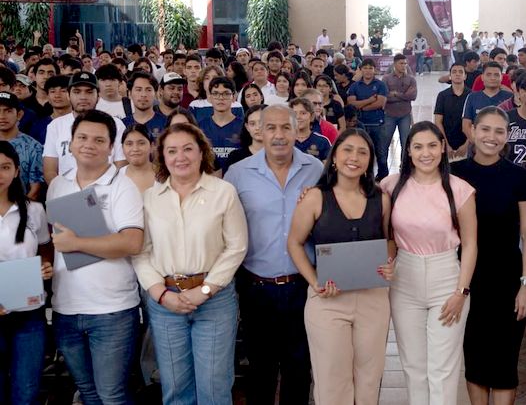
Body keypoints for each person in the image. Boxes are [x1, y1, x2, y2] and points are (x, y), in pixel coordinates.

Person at [132, 122, 247, 404]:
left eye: (187, 149)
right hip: (165, 304)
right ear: (162, 156)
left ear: (201, 152)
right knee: (175, 385)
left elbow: (236, 247)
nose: (180, 157)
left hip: (215, 302)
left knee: (214, 385)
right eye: (171, 151)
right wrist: (160, 294)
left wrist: (206, 290)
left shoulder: (223, 192)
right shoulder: (150, 198)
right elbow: (140, 251)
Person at [286, 128, 393, 404]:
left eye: (362, 152)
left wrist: (389, 262)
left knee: (369, 378)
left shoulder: (380, 198)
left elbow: (389, 240)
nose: (354, 157)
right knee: (332, 381)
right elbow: (295, 243)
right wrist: (314, 281)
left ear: (370, 161)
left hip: (372, 298)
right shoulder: (315, 197)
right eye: (347, 150)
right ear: (334, 157)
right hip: (328, 300)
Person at [224, 104, 323, 404]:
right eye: (271, 128)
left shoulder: (316, 170)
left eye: (285, 128)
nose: (279, 135)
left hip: (302, 286)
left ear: (296, 130)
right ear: (259, 131)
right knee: (260, 368)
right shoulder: (238, 174)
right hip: (256, 287)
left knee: (299, 366)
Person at [46, 109, 144, 404]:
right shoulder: (57, 185)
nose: (89, 144)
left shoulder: (123, 186)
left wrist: (77, 243)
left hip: (111, 310)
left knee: (112, 395)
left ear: (111, 146)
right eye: (82, 138)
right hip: (66, 307)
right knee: (88, 393)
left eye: (99, 140)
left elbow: (132, 242)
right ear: (71, 143)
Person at [380, 121, 477, 405]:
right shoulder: (391, 186)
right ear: (408, 150)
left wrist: (461, 292)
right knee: (413, 366)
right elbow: (374, 224)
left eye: (433, 145)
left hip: (446, 276)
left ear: (443, 148)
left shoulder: (460, 190)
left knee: (443, 368)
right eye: (418, 146)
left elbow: (470, 244)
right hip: (404, 277)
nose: (426, 153)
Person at [450, 107, 526, 405]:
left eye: (499, 131)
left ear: (508, 136)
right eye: (485, 129)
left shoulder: (519, 177)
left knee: (504, 360)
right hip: (466, 278)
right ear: (472, 130)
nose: (491, 137)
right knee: (474, 357)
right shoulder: (455, 173)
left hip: (507, 278)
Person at [0, 141, 53, 405]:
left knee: (27, 391)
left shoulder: (34, 210)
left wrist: (45, 267)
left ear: (17, 171)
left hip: (28, 313)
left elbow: (45, 248)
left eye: (5, 167)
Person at [42, 72, 126, 184]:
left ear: (98, 95)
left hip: (107, 193)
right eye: (77, 92)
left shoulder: (116, 124)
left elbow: (121, 165)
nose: (83, 97)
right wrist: (62, 193)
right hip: (66, 193)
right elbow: (50, 170)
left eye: (89, 92)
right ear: (68, 95)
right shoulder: (55, 125)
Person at [347, 58, 388, 178]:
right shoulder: (355, 86)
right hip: (360, 125)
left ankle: (382, 177)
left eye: (371, 68)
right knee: (363, 153)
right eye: (365, 68)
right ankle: (365, 177)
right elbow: (351, 104)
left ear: (375, 70)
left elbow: (380, 103)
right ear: (360, 70)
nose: (368, 71)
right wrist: (370, 100)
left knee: (381, 153)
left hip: (377, 124)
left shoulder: (380, 85)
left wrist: (361, 106)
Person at [0, 91, 43, 199]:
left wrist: (17, 212)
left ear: (19, 114)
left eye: (8, 111)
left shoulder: (34, 147)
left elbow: (35, 189)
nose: (2, 116)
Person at [197, 76, 244, 172]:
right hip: (209, 180)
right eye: (216, 93)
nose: (220, 98)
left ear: (234, 96)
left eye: (226, 94)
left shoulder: (243, 127)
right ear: (209, 97)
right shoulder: (200, 127)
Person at [462, 61, 513, 142]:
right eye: (488, 74)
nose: (492, 78)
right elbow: (466, 126)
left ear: (502, 77)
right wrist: (477, 144)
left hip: (502, 146)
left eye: (496, 75)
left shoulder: (510, 97)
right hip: (477, 148)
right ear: (482, 77)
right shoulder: (472, 97)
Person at [434, 62, 472, 161]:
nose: (457, 74)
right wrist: (446, 144)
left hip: (468, 145)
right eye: (454, 72)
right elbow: (438, 121)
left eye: (460, 72)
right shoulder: (442, 95)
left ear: (465, 76)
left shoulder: (472, 96)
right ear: (450, 76)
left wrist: (466, 145)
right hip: (447, 142)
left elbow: (476, 123)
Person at [383, 54, 417, 158]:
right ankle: (383, 170)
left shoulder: (411, 79)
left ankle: (404, 168)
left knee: (405, 143)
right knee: (385, 143)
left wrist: (396, 94)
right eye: (401, 63)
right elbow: (384, 97)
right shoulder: (386, 79)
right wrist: (404, 96)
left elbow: (413, 96)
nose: (404, 66)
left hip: (405, 115)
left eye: (405, 63)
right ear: (394, 64)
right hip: (389, 114)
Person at [225, 105, 266, 171]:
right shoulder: (235, 157)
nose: (257, 128)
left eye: (261, 122)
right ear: (247, 127)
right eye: (252, 124)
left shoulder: (282, 155)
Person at [120, 124, 156, 193]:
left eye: (141, 143)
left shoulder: (165, 175)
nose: (135, 149)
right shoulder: (116, 177)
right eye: (129, 144)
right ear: (122, 148)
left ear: (152, 146)